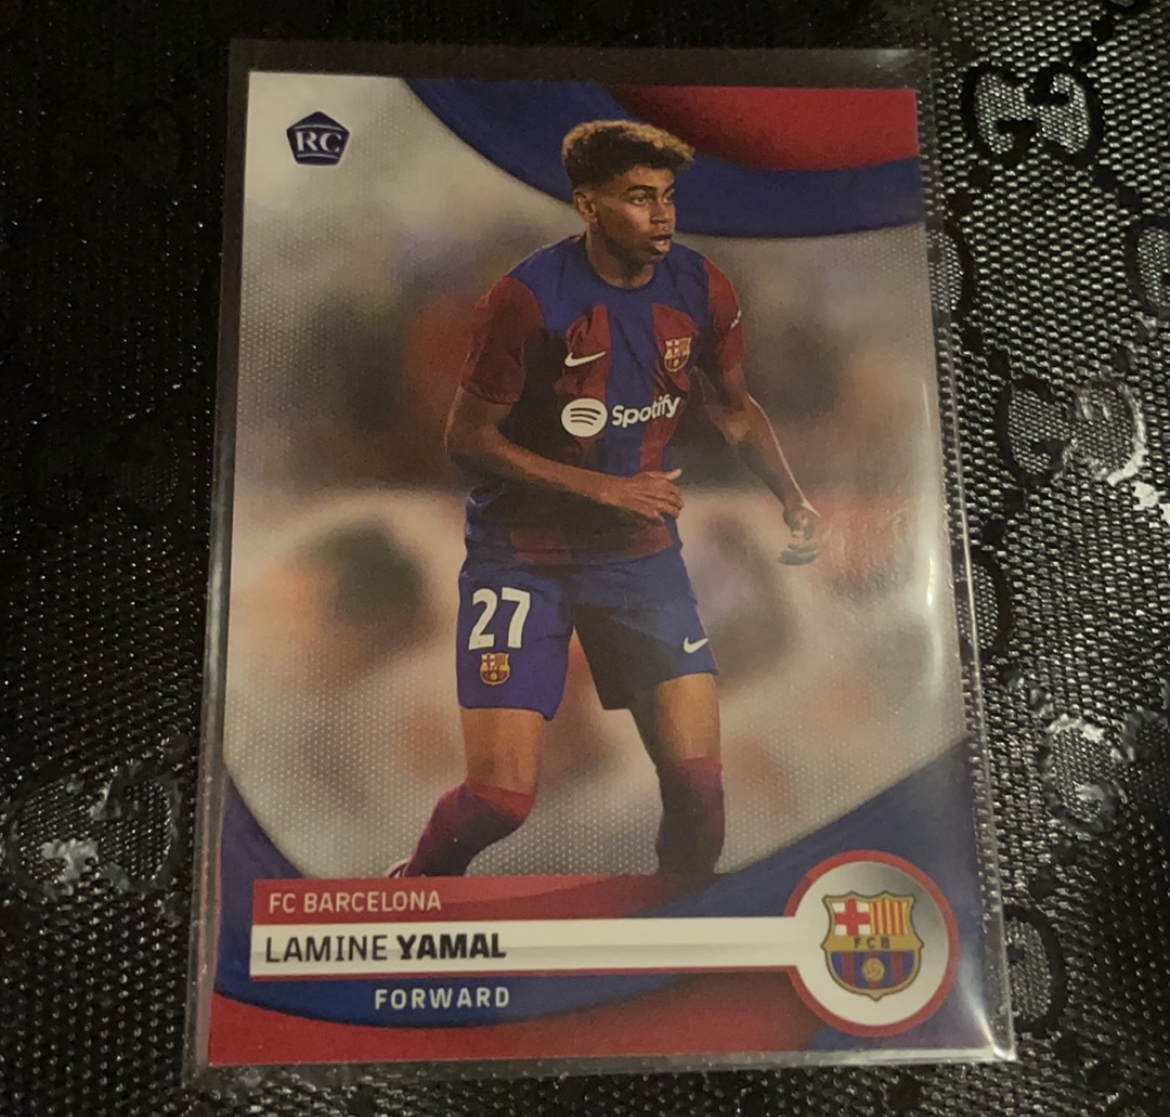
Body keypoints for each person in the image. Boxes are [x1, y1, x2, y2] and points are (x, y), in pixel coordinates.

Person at [392, 119, 819, 880]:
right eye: (638, 197)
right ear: (588, 206)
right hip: (522, 559)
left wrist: (791, 495)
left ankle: (680, 920)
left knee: (700, 793)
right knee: (498, 802)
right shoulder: (526, 299)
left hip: (639, 560)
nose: (661, 215)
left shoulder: (703, 288)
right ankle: (414, 890)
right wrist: (606, 488)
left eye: (667, 196)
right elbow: (469, 440)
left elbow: (734, 408)